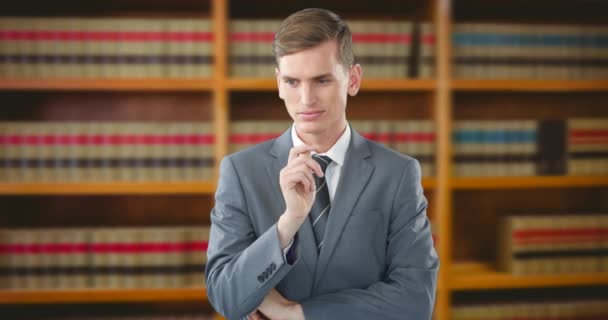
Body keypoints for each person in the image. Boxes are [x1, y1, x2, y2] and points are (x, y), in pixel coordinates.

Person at [205, 8, 439, 320]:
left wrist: (296, 313)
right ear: (278, 83)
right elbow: (225, 296)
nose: (306, 99)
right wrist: (288, 224)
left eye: (322, 80)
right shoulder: (240, 171)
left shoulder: (398, 174)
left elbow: (416, 300)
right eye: (292, 81)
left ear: (352, 80)